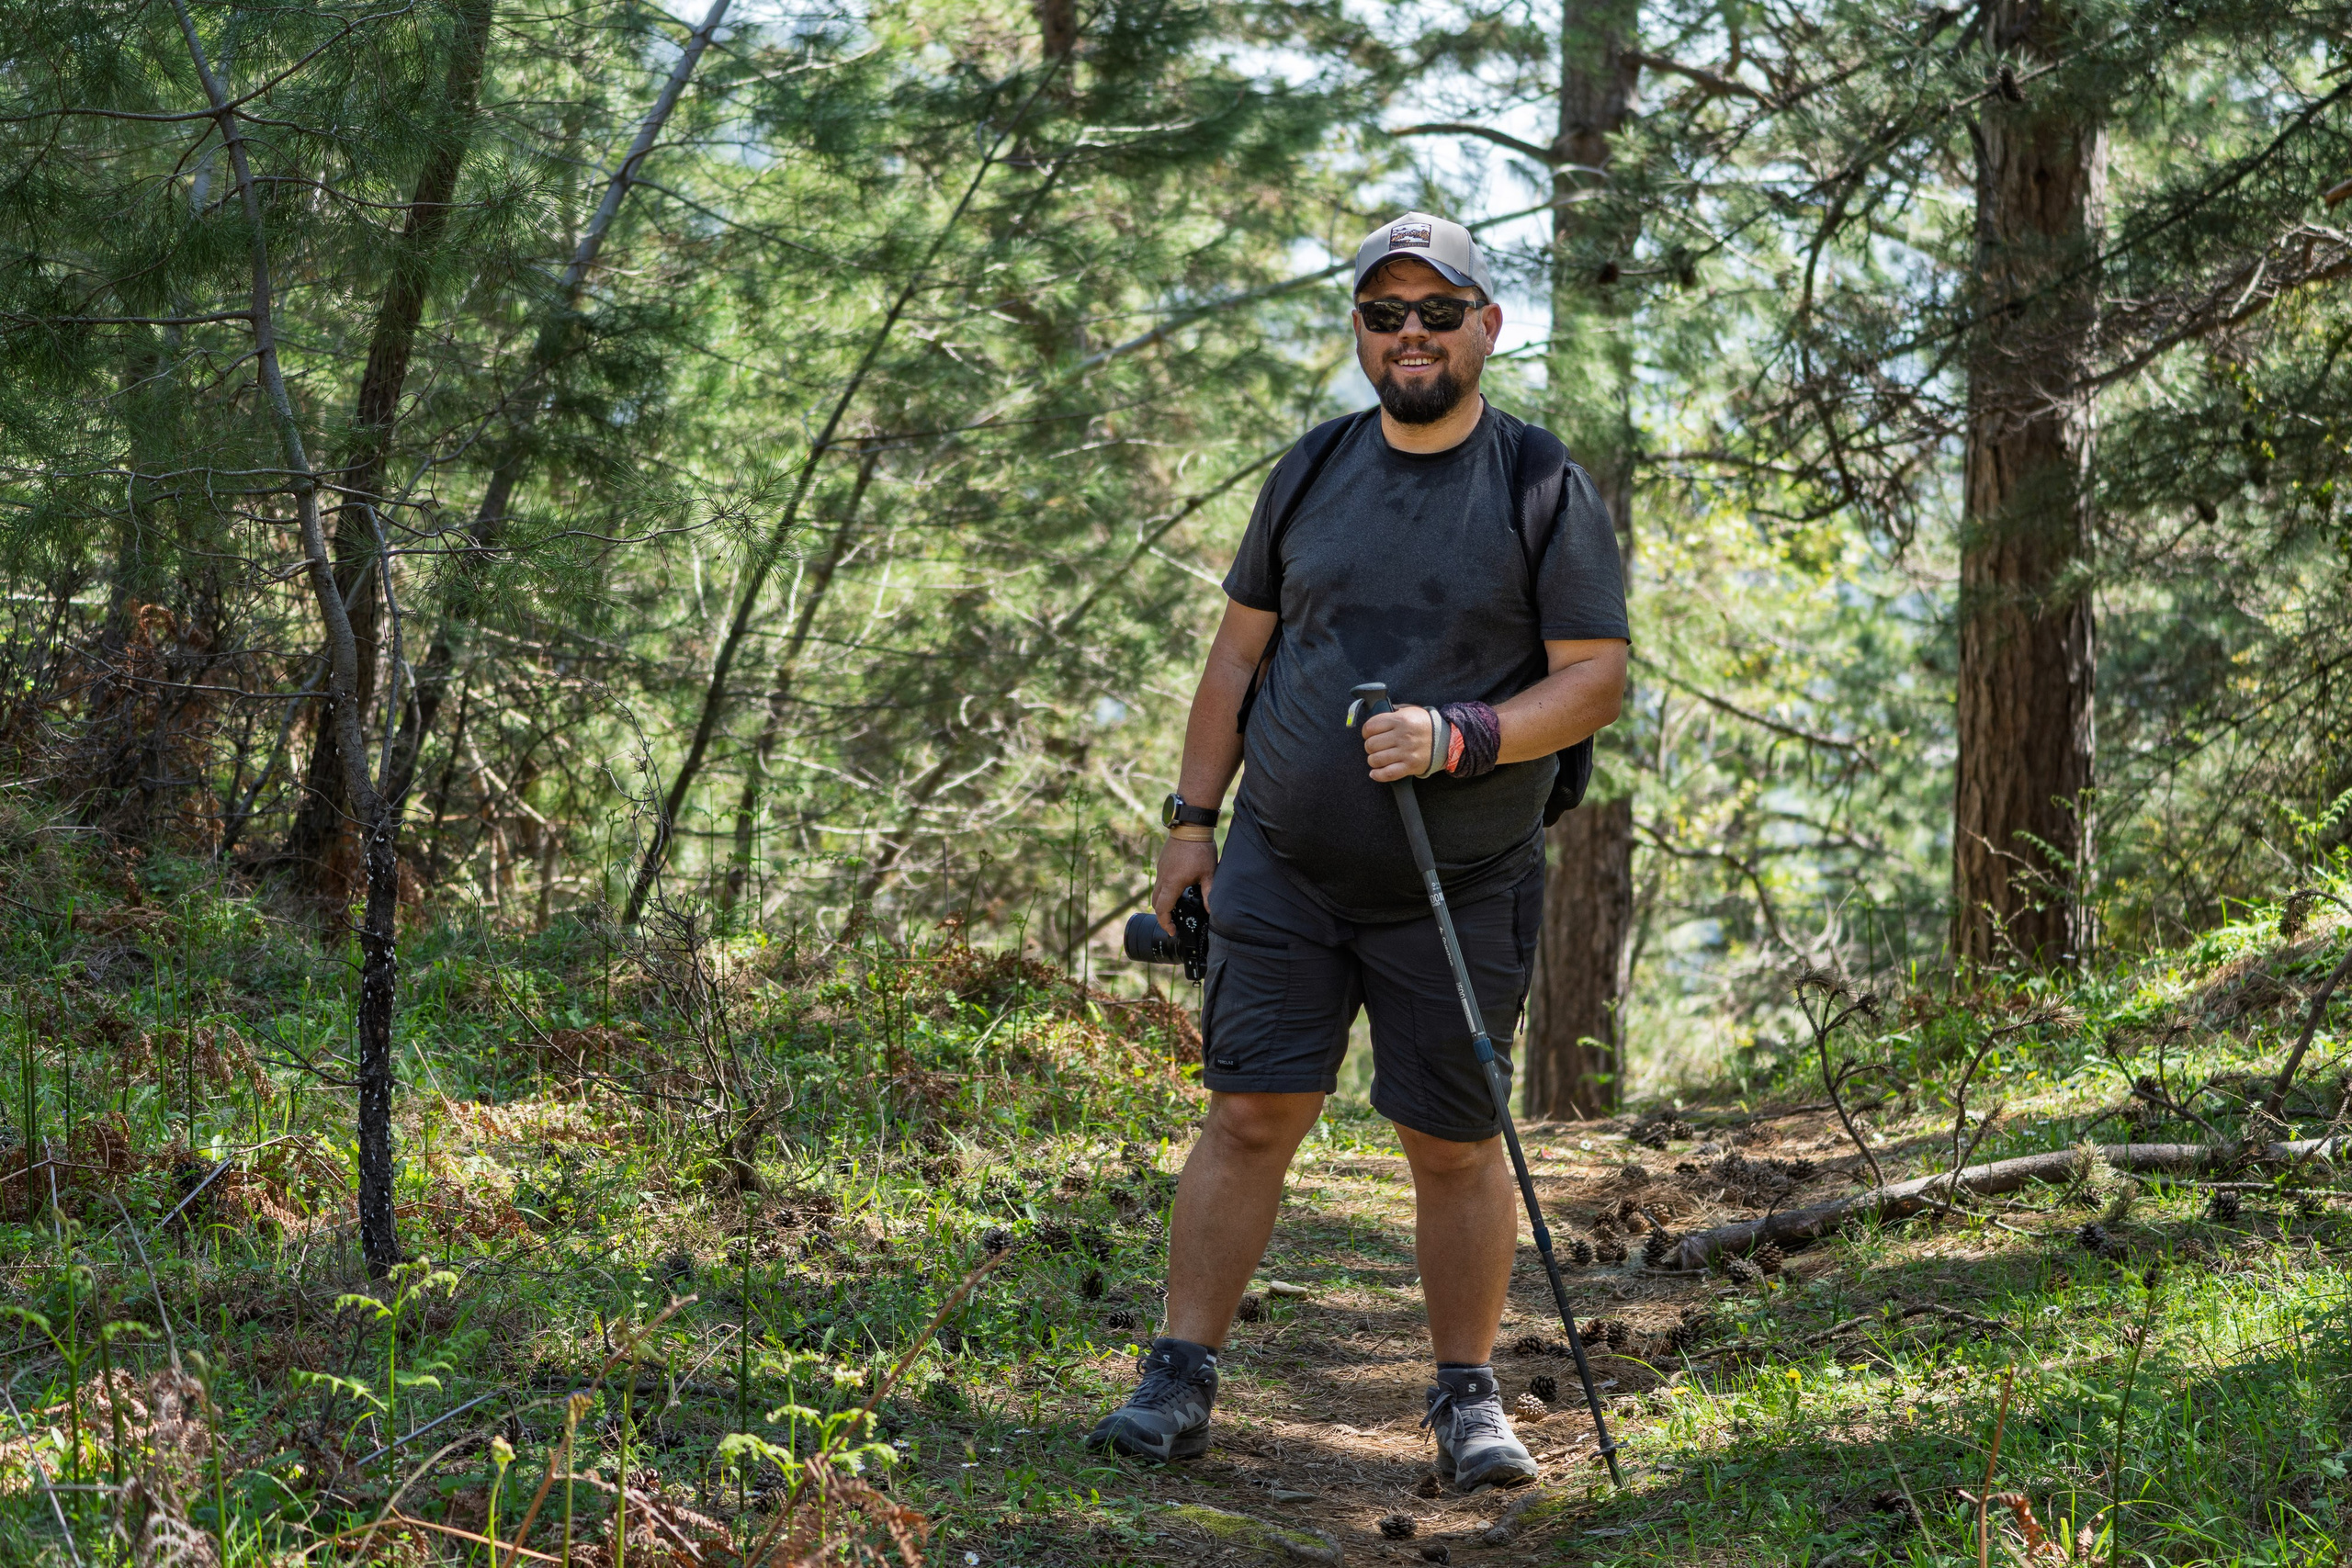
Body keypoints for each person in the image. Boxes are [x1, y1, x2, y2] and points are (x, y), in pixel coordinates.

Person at [1086, 212, 1631, 1489]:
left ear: (1487, 328)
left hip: (1464, 880)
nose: (1411, 336)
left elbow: (1596, 680)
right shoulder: (1313, 469)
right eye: (1385, 314)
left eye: (1438, 313)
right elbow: (1236, 655)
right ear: (1362, 334)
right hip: (1284, 860)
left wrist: (1462, 736)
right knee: (1250, 1111)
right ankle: (1178, 1382)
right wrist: (1188, 823)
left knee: (1450, 1141)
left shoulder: (1539, 484)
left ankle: (1465, 1401)